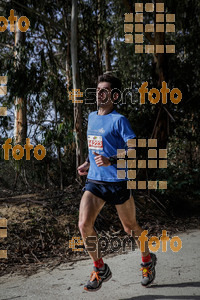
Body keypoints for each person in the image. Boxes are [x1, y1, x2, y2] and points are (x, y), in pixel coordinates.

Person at [77, 74, 157, 292]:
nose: (99, 94)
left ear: (114, 95)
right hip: (95, 181)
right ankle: (100, 269)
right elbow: (95, 146)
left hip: (118, 181)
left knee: (130, 228)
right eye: (98, 90)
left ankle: (147, 261)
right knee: (84, 224)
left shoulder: (119, 120)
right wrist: (87, 162)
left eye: (104, 90)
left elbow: (133, 149)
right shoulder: (92, 117)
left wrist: (111, 159)